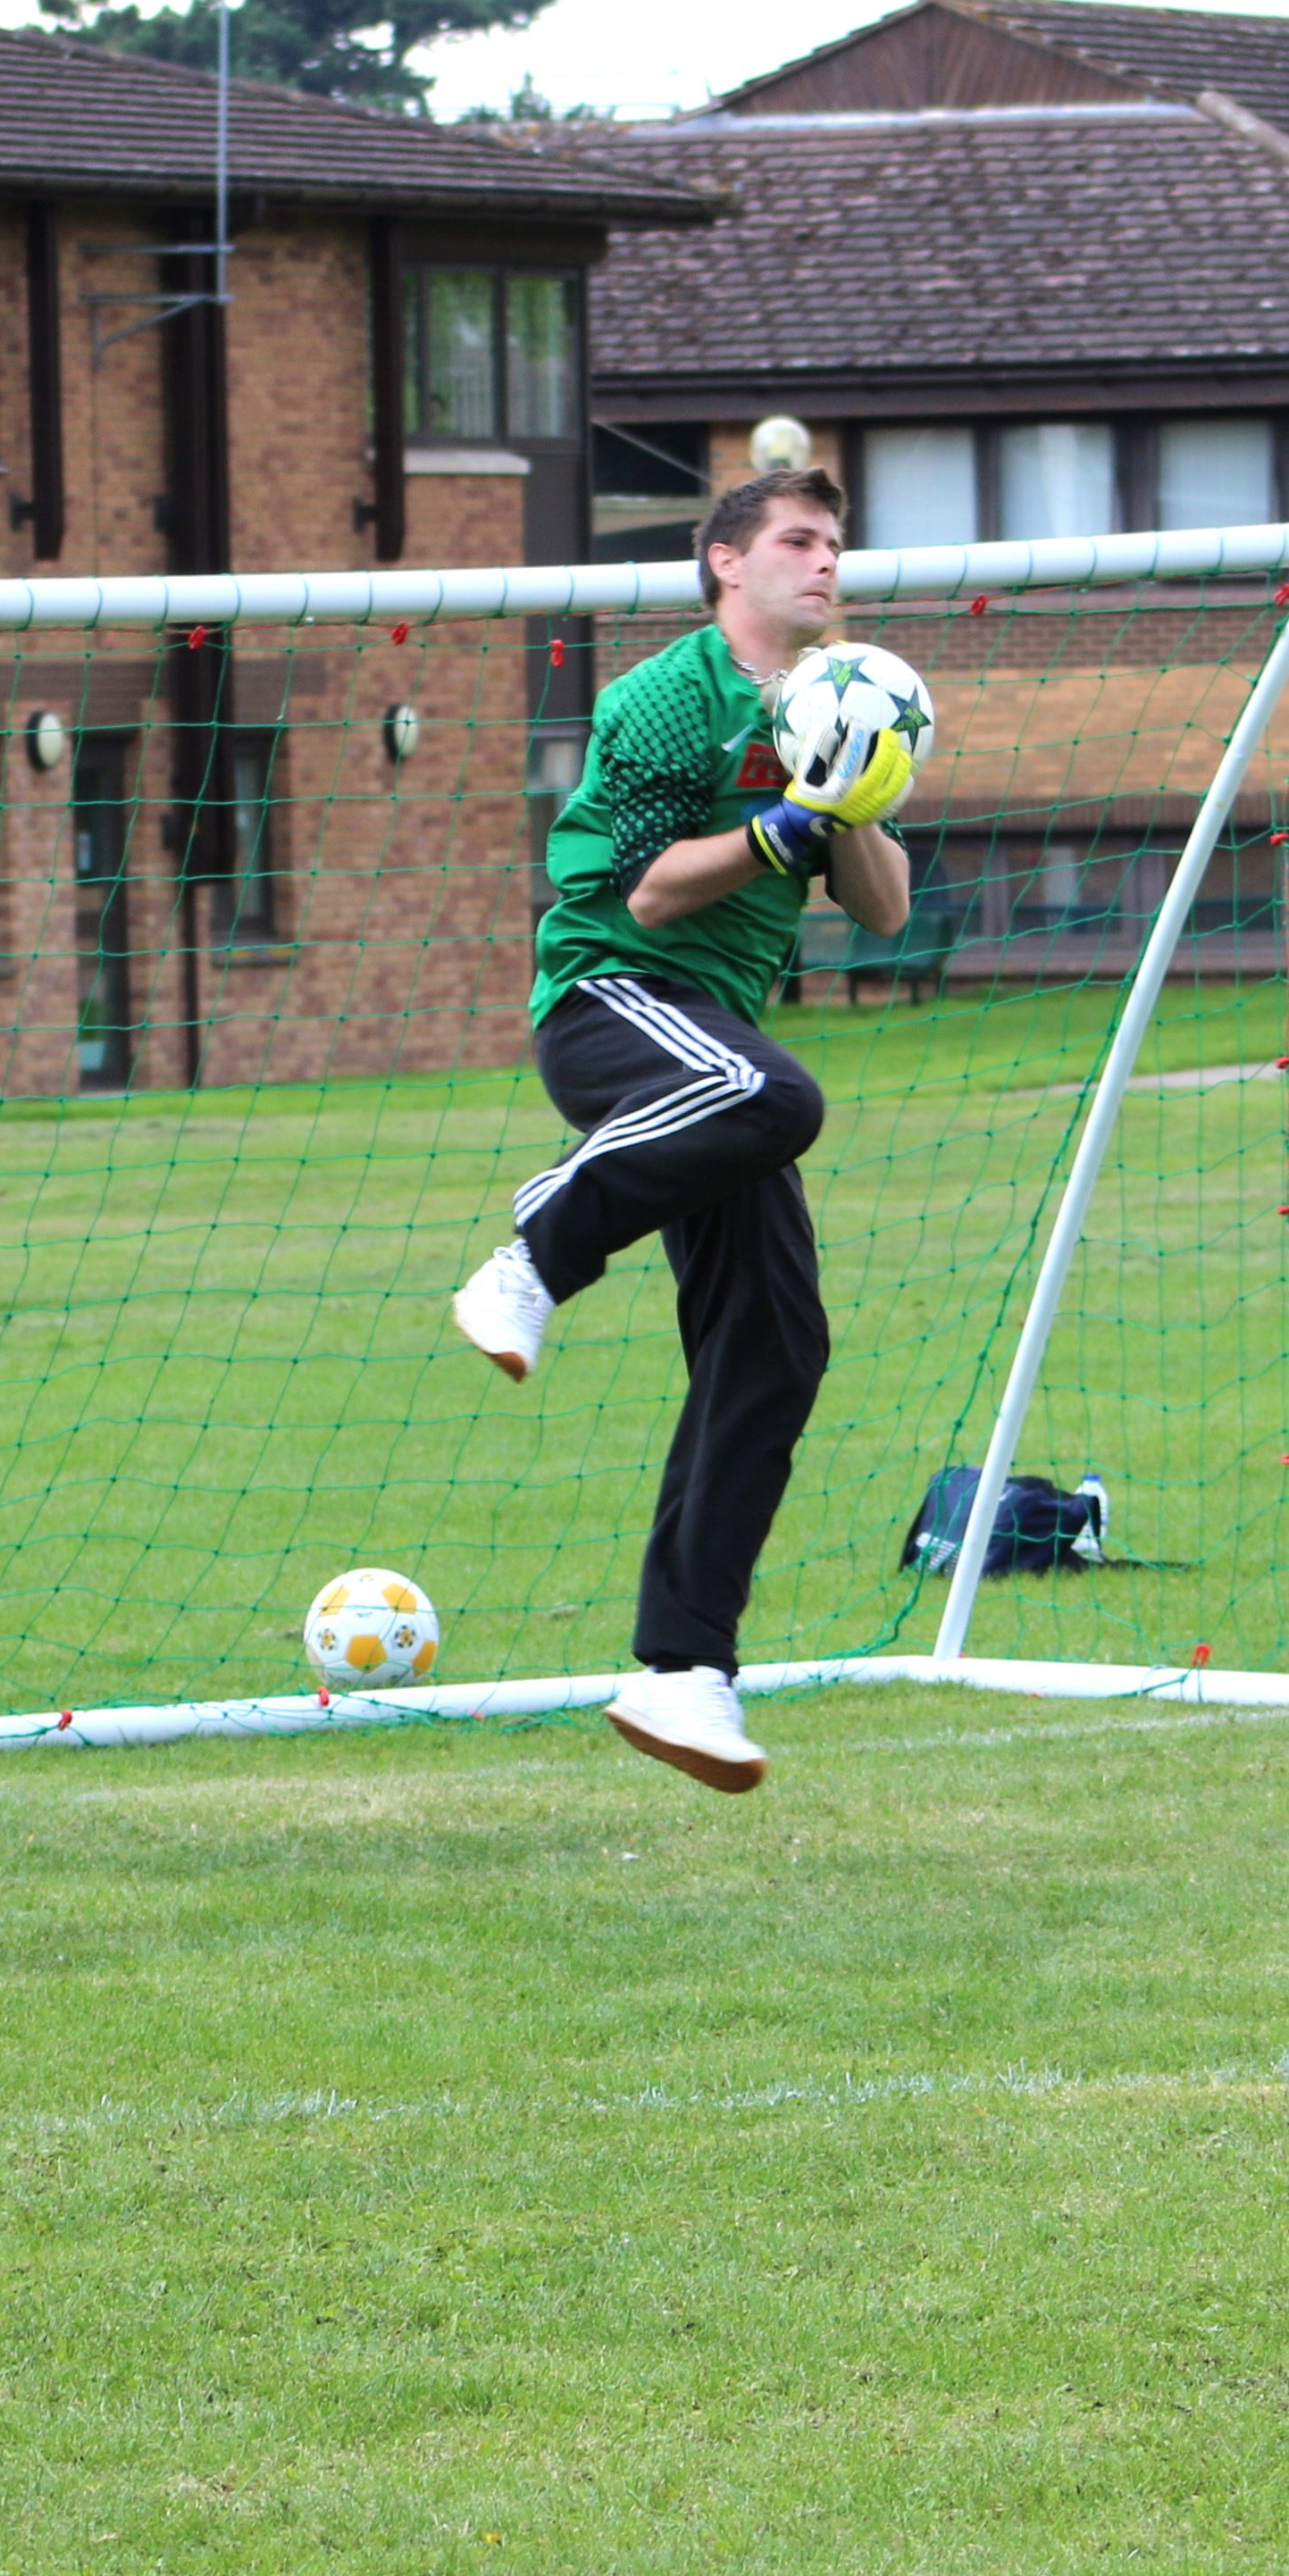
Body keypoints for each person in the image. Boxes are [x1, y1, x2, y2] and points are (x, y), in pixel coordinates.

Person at [448, 464, 917, 1793]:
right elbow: (650, 896)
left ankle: (681, 1674)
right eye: (798, 542)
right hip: (612, 1000)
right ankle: (536, 1253)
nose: (826, 563)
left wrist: (856, 801)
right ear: (727, 564)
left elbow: (881, 911)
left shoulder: (846, 695)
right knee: (778, 1097)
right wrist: (786, 826)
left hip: (712, 1041)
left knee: (777, 1339)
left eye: (836, 543)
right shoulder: (668, 695)